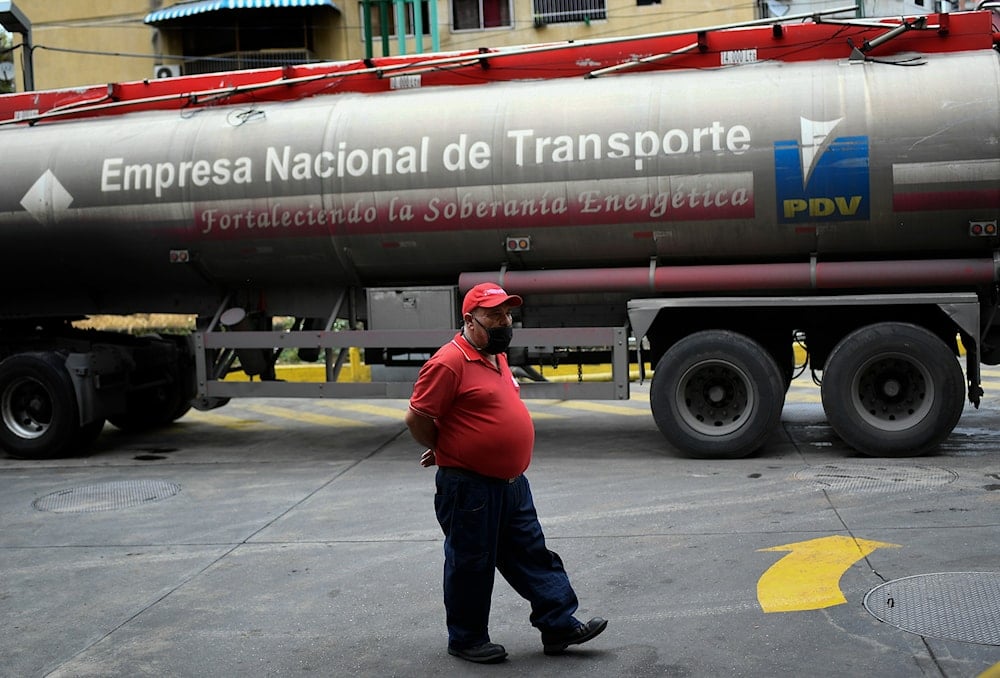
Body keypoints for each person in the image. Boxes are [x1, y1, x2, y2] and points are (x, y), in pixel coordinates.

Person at [405, 282, 607, 664]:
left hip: (513, 483)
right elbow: (417, 415)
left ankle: (558, 625)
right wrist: (446, 448)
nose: (505, 322)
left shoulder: (494, 354)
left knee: (533, 554)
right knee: (471, 563)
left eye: (507, 314)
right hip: (470, 487)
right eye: (494, 315)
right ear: (469, 320)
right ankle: (466, 639)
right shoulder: (448, 362)